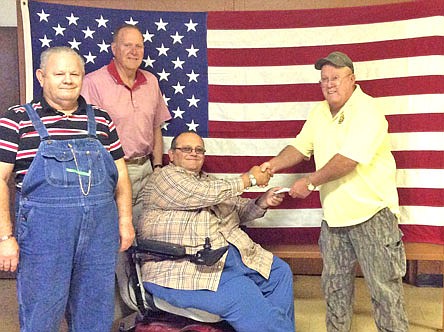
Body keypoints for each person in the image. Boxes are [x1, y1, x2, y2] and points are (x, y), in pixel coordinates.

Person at [261, 51, 408, 332]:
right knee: (335, 291)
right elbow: (300, 147)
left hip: (372, 216)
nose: (330, 84)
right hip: (334, 220)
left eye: (336, 78)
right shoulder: (319, 112)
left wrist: (311, 182)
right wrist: (272, 164)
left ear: (351, 79)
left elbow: (349, 159)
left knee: (385, 294)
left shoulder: (368, 110)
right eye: (324, 79)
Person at [0, 46, 134, 331]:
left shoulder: (101, 118)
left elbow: (121, 174)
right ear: (41, 76)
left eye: (74, 73)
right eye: (59, 73)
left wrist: (125, 221)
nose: (68, 79)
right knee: (42, 312)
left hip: (100, 232)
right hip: (43, 236)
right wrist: (5, 237)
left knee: (95, 311)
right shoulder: (17, 120)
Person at [139, 131, 295, 332]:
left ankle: (272, 325)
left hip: (231, 258)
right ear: (171, 154)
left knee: (279, 273)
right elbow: (203, 195)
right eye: (186, 149)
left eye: (199, 150)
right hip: (183, 266)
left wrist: (262, 201)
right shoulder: (163, 178)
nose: (193, 153)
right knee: (243, 293)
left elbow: (237, 210)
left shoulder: (210, 181)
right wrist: (250, 179)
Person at [81, 24, 171, 228]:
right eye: (127, 45)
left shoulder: (151, 81)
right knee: (117, 234)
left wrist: (157, 166)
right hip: (113, 172)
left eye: (138, 46)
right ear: (114, 49)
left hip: (147, 170)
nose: (134, 51)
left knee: (147, 231)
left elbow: (156, 126)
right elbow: (87, 136)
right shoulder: (93, 83)